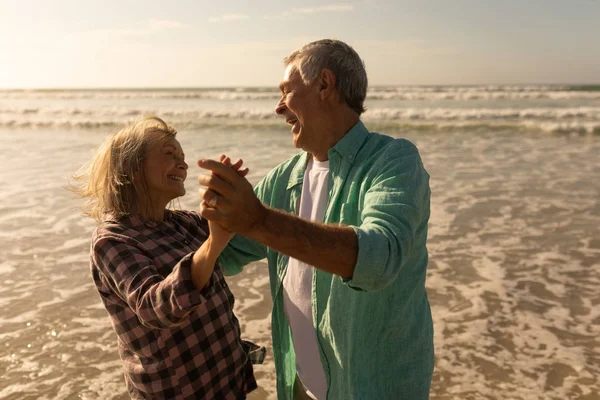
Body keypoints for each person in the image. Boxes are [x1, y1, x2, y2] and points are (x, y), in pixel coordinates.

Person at [197, 39, 434, 399]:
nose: (279, 108)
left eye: (286, 91)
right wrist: (215, 216)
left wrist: (257, 219)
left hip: (374, 389)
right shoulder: (284, 177)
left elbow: (380, 259)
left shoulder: (394, 160)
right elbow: (225, 256)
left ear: (324, 85)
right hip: (299, 387)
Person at [74, 116, 264, 399]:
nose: (183, 164)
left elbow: (244, 238)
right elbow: (154, 309)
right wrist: (213, 243)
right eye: (169, 154)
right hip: (177, 391)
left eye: (183, 156)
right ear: (132, 168)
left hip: (227, 382)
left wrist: (233, 196)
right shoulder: (112, 241)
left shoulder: (185, 223)